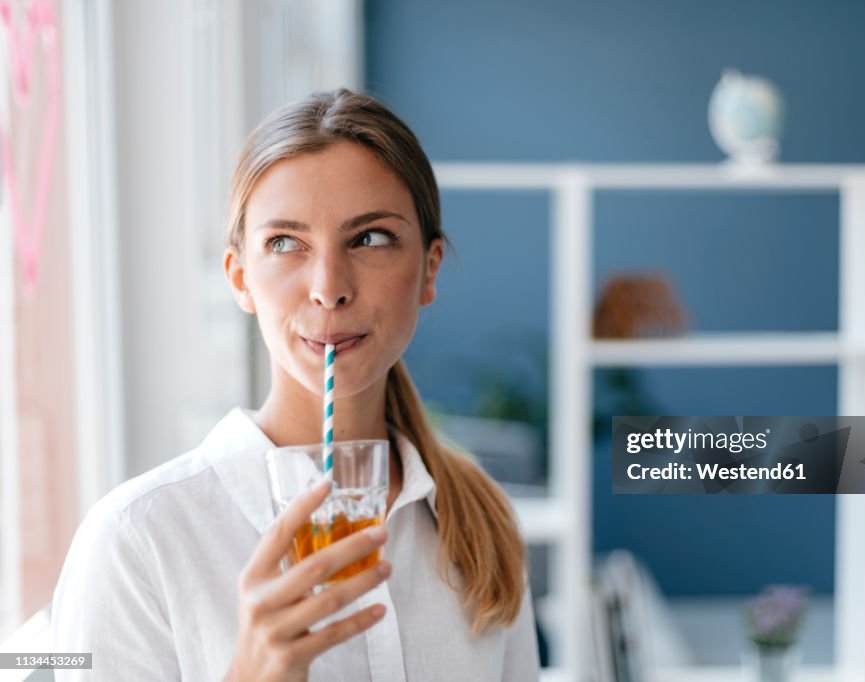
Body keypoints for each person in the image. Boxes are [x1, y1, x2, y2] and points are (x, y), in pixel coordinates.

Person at [51, 88, 540, 681]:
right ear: (240, 279)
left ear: (429, 269)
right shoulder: (136, 543)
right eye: (285, 243)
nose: (328, 286)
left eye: (370, 238)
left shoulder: (485, 524)